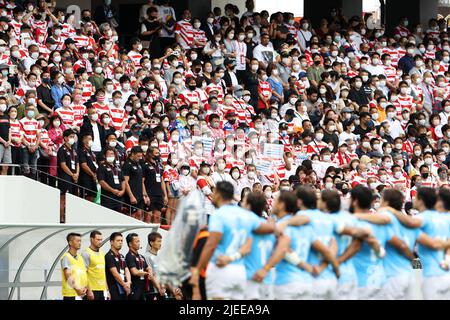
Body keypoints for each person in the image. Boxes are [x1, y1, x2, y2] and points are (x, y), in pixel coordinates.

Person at [190, 181, 275, 300]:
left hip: (220, 268)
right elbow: (268, 229)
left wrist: (197, 270)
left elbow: (211, 245)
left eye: (214, 193)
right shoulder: (245, 214)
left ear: (218, 195)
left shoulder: (218, 215)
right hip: (239, 271)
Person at [125, 233, 159, 301]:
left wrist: (150, 271)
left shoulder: (141, 256)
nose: (139, 243)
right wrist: (147, 273)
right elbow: (134, 272)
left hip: (144, 289)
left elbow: (148, 267)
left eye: (139, 241)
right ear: (130, 244)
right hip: (135, 289)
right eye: (137, 241)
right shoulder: (129, 256)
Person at [57, 129, 79, 223]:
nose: (72, 139)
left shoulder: (73, 150)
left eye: (73, 137)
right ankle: (61, 217)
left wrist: (77, 174)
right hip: (65, 176)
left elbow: (77, 163)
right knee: (63, 197)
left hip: (74, 176)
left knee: (74, 196)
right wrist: (72, 174)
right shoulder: (62, 150)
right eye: (70, 137)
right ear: (65, 138)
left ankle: (71, 216)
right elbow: (63, 165)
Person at [143, 146, 168, 223]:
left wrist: (165, 195)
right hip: (149, 193)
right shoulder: (145, 165)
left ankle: (156, 234)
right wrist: (145, 195)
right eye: (156, 153)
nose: (158, 154)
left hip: (159, 194)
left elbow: (161, 180)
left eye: (158, 152)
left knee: (157, 217)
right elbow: (142, 181)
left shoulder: (159, 166)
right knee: (148, 217)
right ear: (150, 154)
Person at [81, 230, 108, 300]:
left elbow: (103, 273)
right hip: (91, 291)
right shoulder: (86, 253)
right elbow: (84, 273)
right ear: (91, 239)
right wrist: (89, 291)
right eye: (98, 239)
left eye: (101, 240)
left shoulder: (102, 253)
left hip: (102, 290)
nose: (100, 242)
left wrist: (107, 290)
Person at [61, 233, 88, 300]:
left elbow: (84, 273)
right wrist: (78, 289)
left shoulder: (80, 257)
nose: (80, 243)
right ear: (70, 242)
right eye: (77, 241)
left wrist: (85, 288)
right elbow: (68, 275)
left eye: (80, 241)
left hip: (82, 294)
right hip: (71, 295)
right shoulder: (66, 257)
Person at [97, 148, 126, 212]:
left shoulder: (117, 167)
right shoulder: (102, 167)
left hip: (119, 197)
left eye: (112, 154)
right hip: (108, 198)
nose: (111, 156)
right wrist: (112, 190)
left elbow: (123, 180)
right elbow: (101, 181)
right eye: (109, 154)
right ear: (104, 156)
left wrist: (123, 190)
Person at [105, 232, 131, 300]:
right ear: (111, 242)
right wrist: (124, 285)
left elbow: (126, 270)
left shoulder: (121, 256)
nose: (120, 242)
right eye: (118, 240)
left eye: (121, 241)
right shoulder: (108, 256)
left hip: (124, 288)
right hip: (115, 289)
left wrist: (128, 282)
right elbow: (115, 273)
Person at [123, 146, 147, 220]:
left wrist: (145, 194)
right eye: (138, 156)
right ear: (132, 154)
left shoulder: (138, 164)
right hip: (132, 195)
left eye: (141, 156)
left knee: (139, 215)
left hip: (139, 195)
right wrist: (131, 196)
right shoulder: (127, 164)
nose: (140, 158)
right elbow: (125, 182)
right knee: (132, 217)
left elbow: (141, 181)